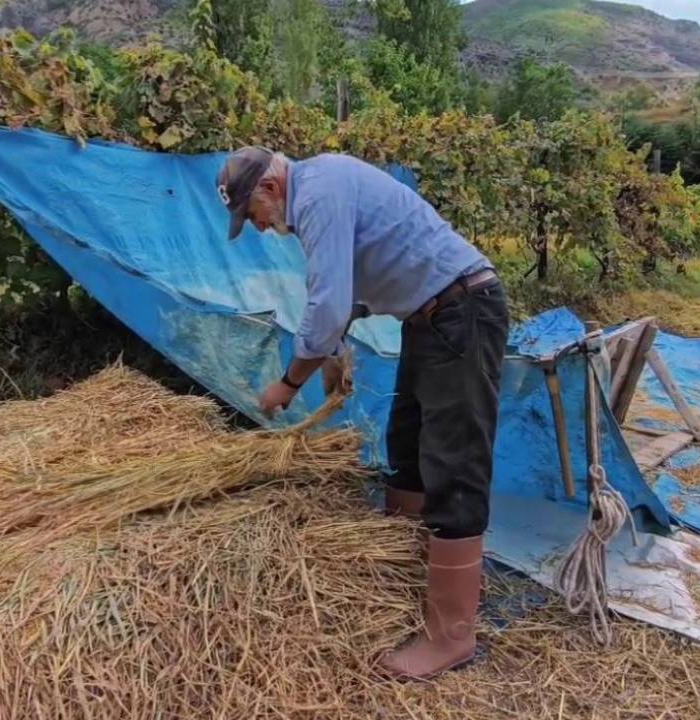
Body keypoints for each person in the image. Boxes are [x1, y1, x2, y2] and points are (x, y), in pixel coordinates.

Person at [215, 146, 509, 680]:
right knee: (407, 443)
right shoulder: (318, 191)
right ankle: (405, 562)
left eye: (251, 215)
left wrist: (288, 383)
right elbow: (343, 295)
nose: (256, 228)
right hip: (430, 318)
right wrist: (332, 352)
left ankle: (451, 635)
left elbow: (326, 303)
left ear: (270, 189)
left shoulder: (320, 193)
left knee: (454, 461)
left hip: (463, 310)